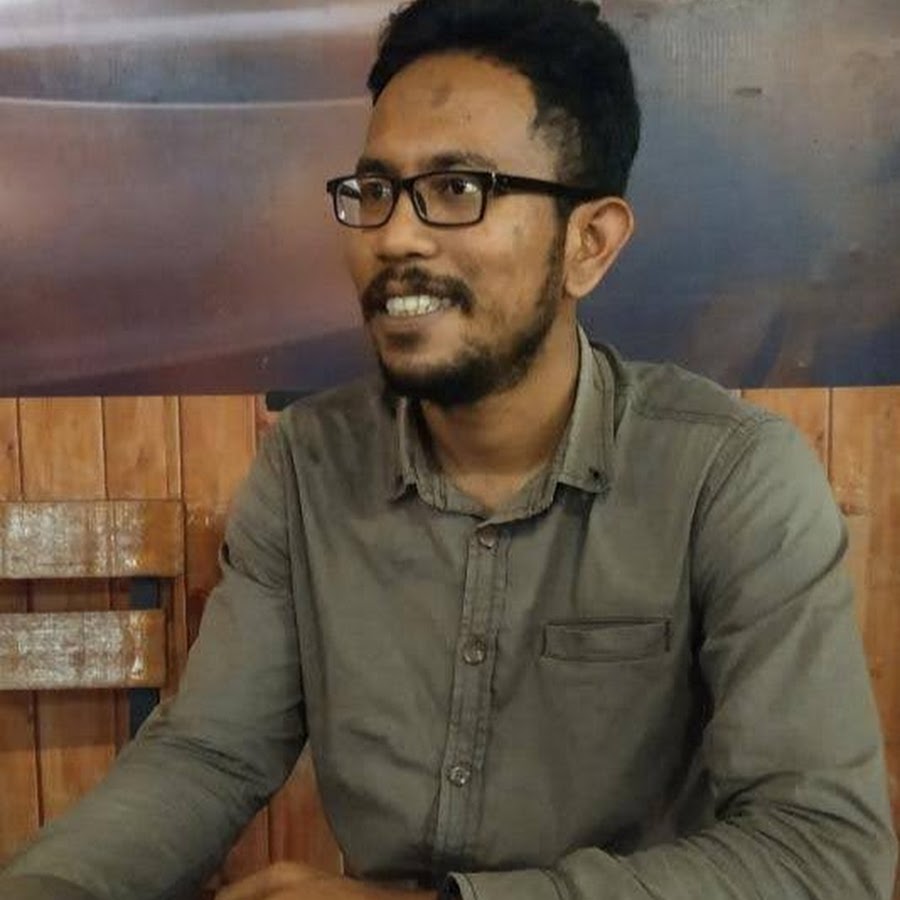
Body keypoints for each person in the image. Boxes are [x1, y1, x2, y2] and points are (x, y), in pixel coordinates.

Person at [1, 0, 896, 898]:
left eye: (460, 188)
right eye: (375, 191)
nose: (395, 236)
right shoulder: (309, 466)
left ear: (588, 244)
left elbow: (822, 857)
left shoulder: (730, 479)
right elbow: (209, 754)